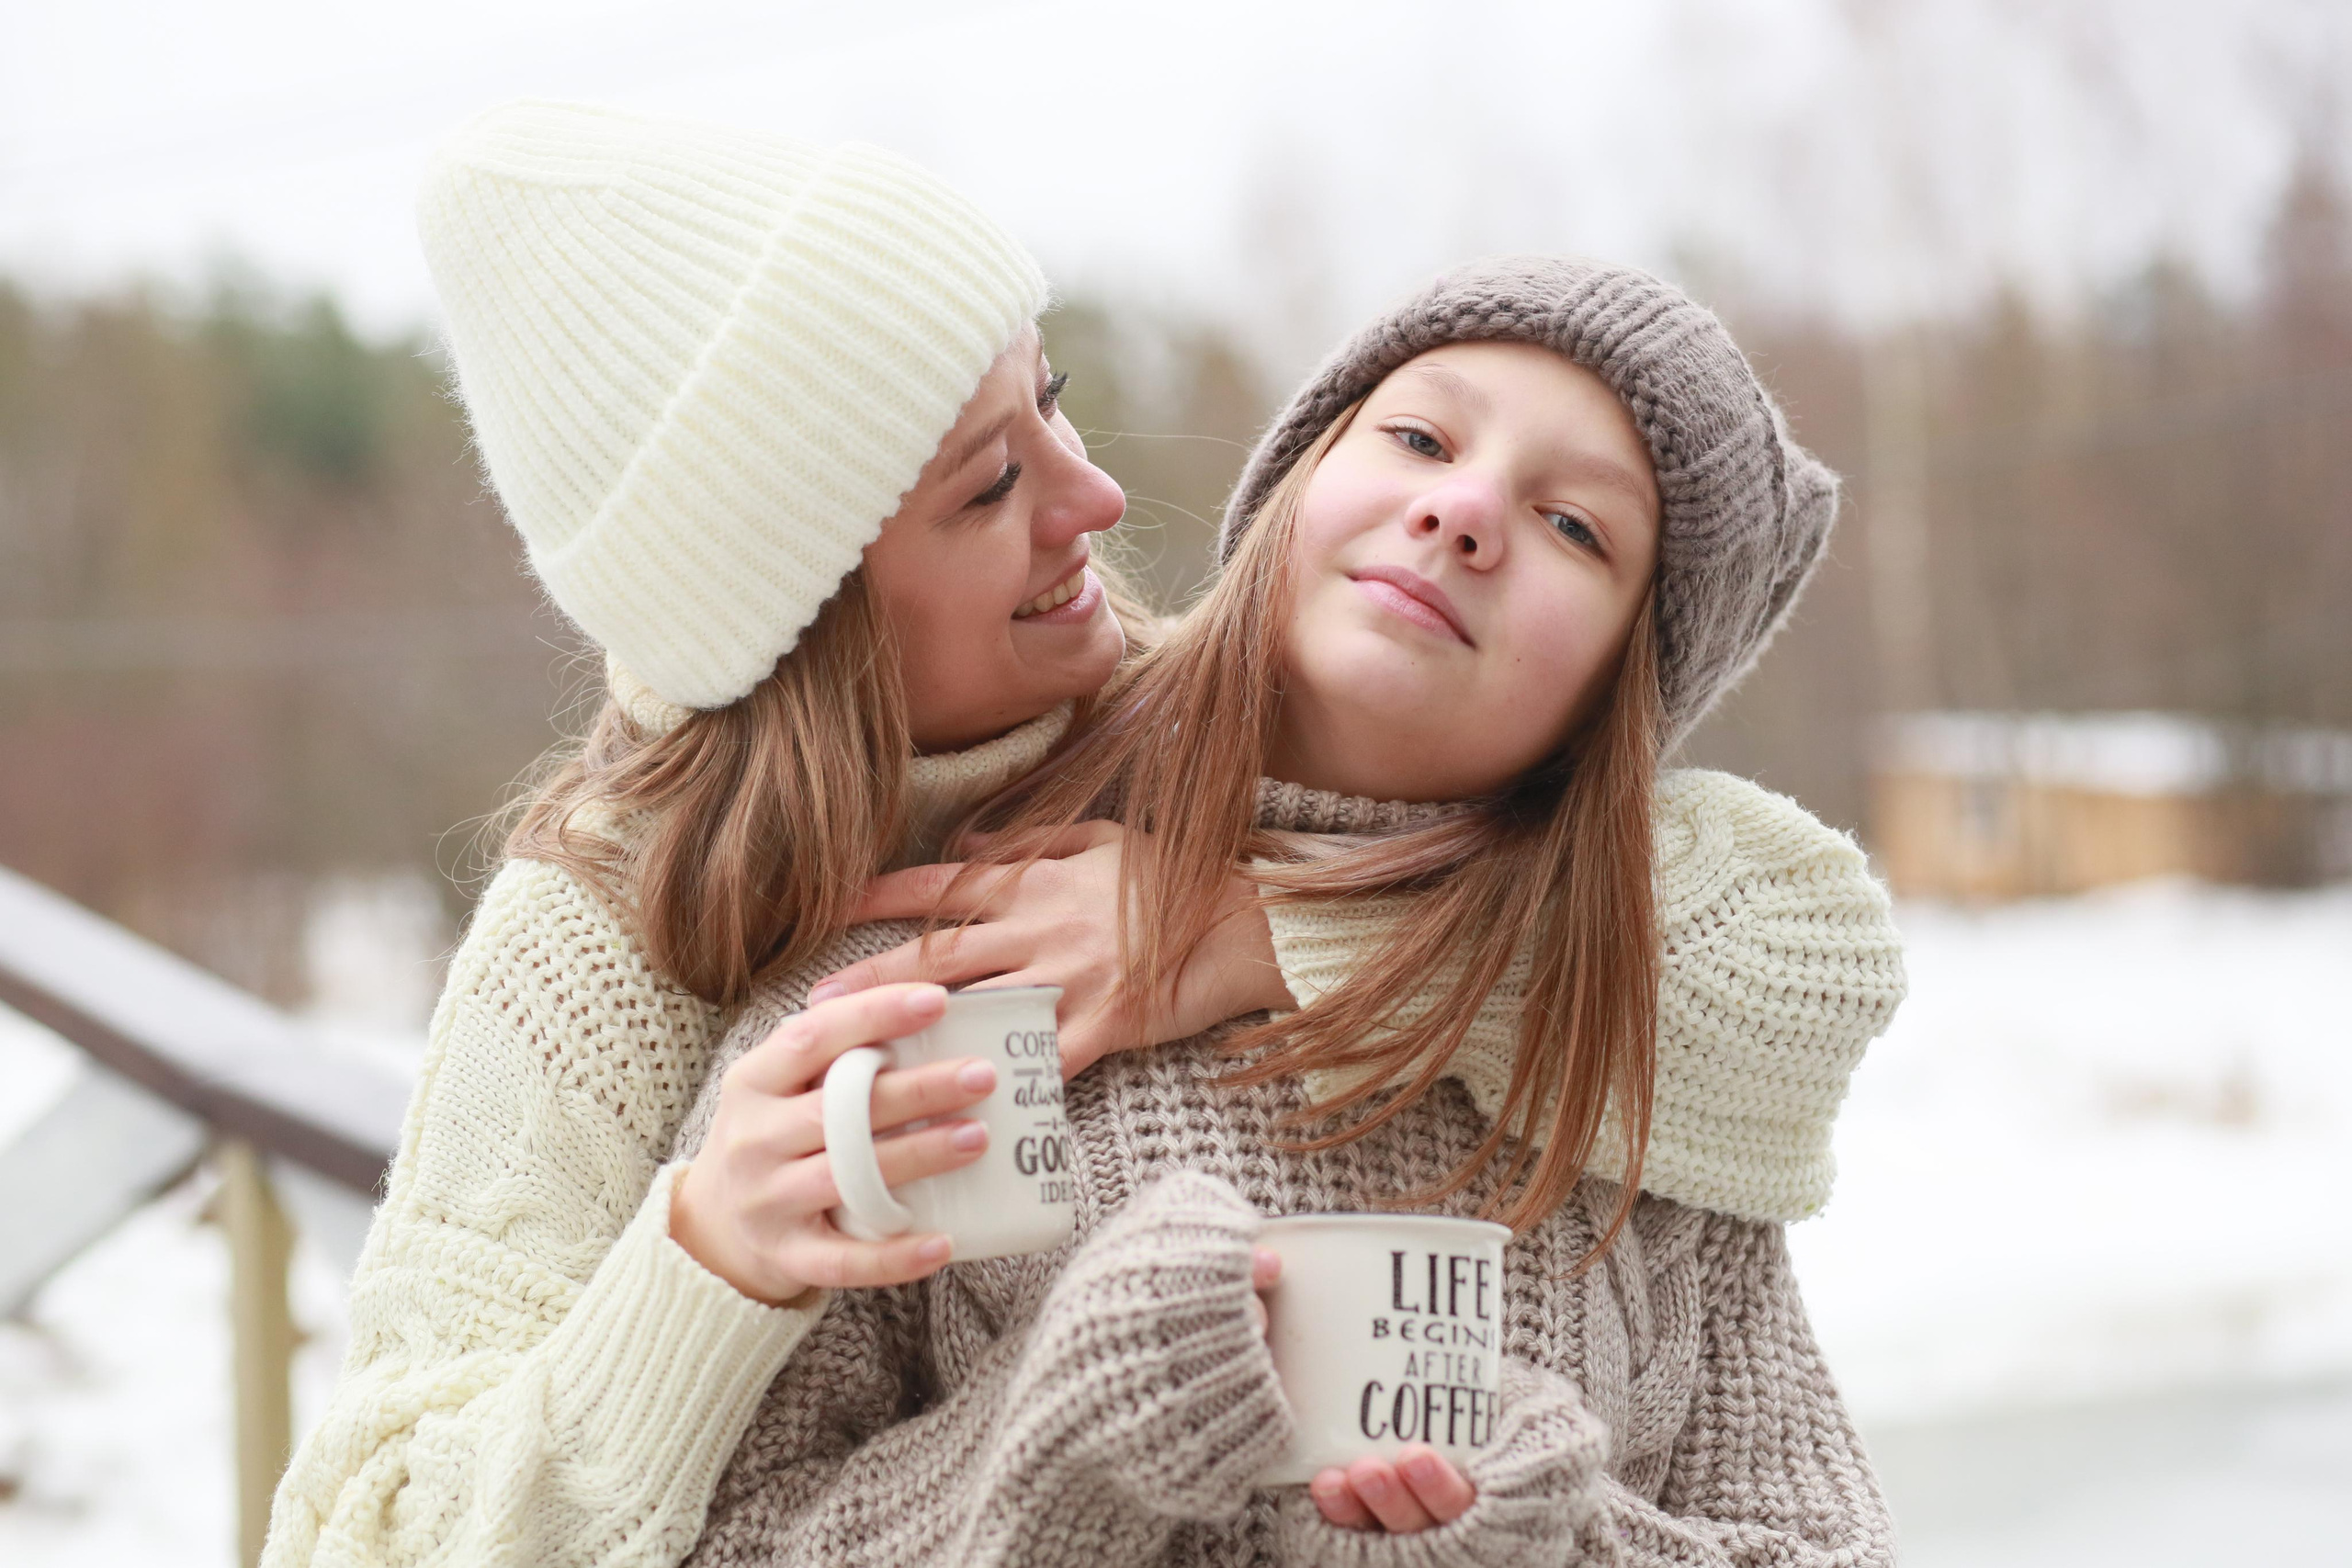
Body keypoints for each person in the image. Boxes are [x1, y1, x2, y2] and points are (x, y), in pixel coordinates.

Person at [671, 258, 1906, 1567]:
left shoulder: (1631, 1065)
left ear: (1622, 686)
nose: (1466, 508)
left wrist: (1562, 1543)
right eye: (1421, 437)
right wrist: (1066, 1437)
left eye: (1577, 528)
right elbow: (716, 1540)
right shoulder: (947, 972)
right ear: (1298, 481)